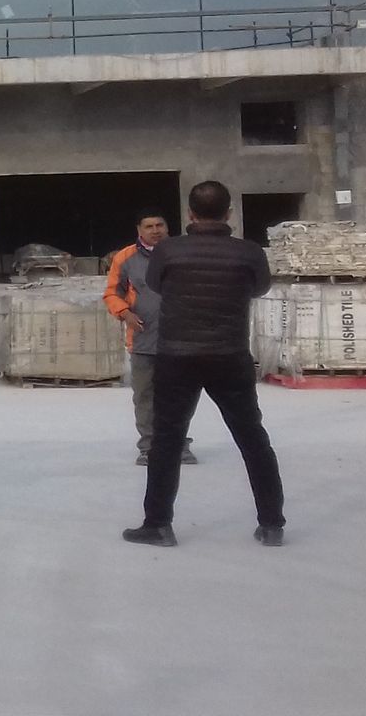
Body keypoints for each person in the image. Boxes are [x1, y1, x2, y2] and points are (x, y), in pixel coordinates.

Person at [124, 180, 284, 548]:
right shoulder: (249, 252)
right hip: (229, 355)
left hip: (177, 357)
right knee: (253, 439)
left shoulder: (168, 250)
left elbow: (156, 285)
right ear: (229, 213)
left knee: (166, 441)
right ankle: (272, 524)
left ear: (190, 213)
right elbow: (260, 288)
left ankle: (158, 525)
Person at [104, 208, 196, 467]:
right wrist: (125, 313)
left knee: (179, 397)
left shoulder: (182, 253)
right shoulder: (125, 258)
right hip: (143, 341)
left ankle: (178, 445)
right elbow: (112, 293)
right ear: (139, 230)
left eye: (159, 225)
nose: (155, 231)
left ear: (167, 227)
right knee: (145, 397)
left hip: (180, 341)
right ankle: (149, 447)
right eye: (149, 226)